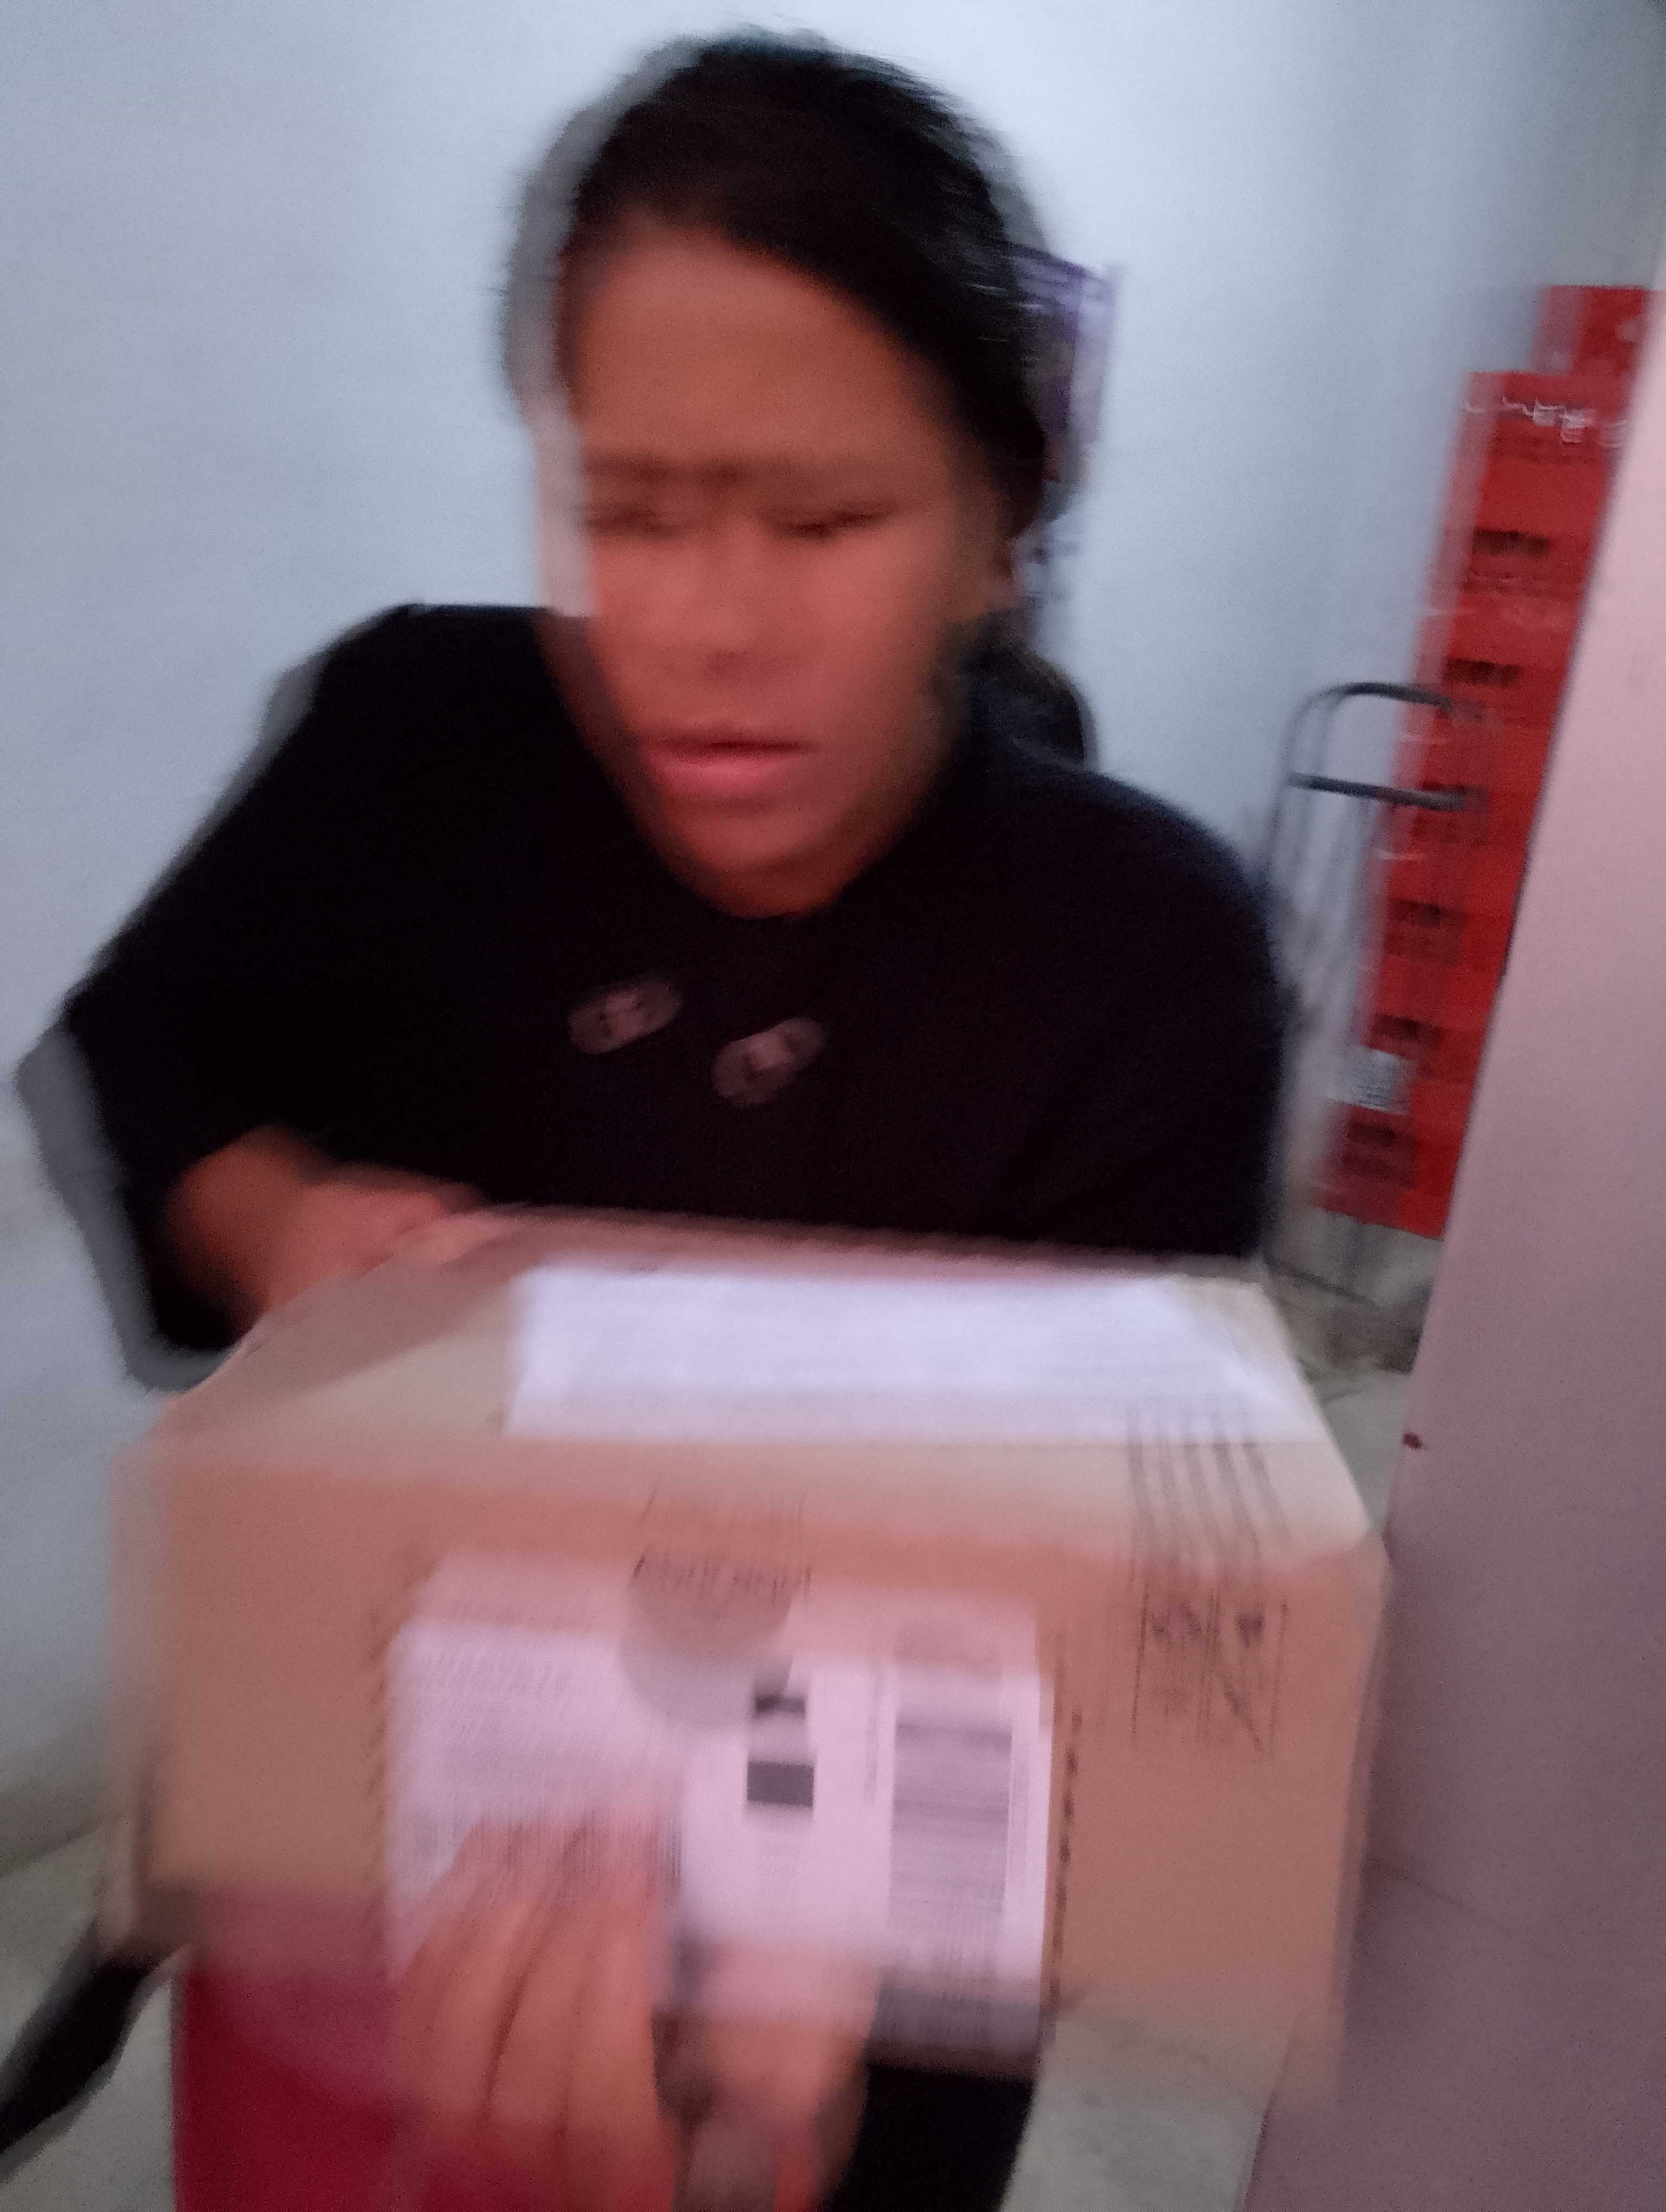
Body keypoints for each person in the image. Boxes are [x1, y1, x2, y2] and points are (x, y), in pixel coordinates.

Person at [45, 32, 1281, 2210]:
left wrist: (813, 2030)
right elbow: (148, 1050)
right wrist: (284, 1223)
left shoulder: (1139, 959)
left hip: (849, 1998)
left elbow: (1123, 1593)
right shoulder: (417, 748)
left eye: (824, 520)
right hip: (367, 1889)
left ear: (995, 531)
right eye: (627, 512)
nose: (705, 632)